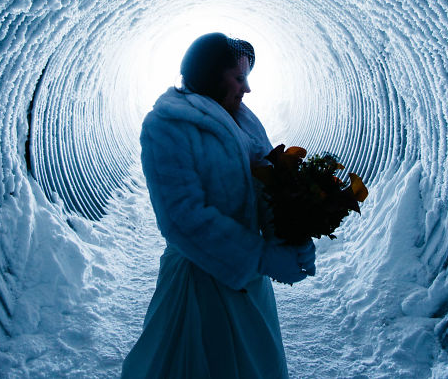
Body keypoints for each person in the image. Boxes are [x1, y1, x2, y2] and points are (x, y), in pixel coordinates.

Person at [121, 33, 316, 379]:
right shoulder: (167, 126)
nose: (248, 89)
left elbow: (268, 183)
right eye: (239, 78)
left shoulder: (243, 119)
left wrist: (291, 236)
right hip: (198, 285)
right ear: (211, 73)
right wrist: (260, 257)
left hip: (249, 285)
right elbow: (182, 219)